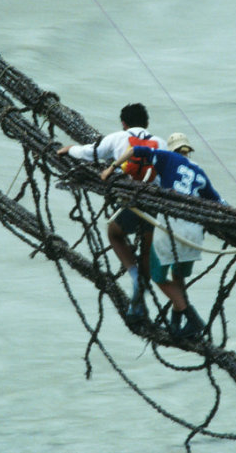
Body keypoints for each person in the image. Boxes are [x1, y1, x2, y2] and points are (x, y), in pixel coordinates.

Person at [101, 132, 223, 340]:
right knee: (178, 277)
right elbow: (220, 203)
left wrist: (111, 168)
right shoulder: (200, 173)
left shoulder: (167, 158)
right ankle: (176, 325)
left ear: (171, 149)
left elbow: (135, 151)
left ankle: (191, 318)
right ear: (188, 151)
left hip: (173, 228)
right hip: (194, 235)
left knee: (157, 275)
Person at [57, 103, 167, 324]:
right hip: (155, 200)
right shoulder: (162, 143)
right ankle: (139, 304)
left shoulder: (117, 138)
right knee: (146, 248)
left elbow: (90, 153)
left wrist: (70, 149)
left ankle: (135, 277)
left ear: (124, 124)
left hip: (132, 198)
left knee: (114, 233)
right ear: (147, 123)